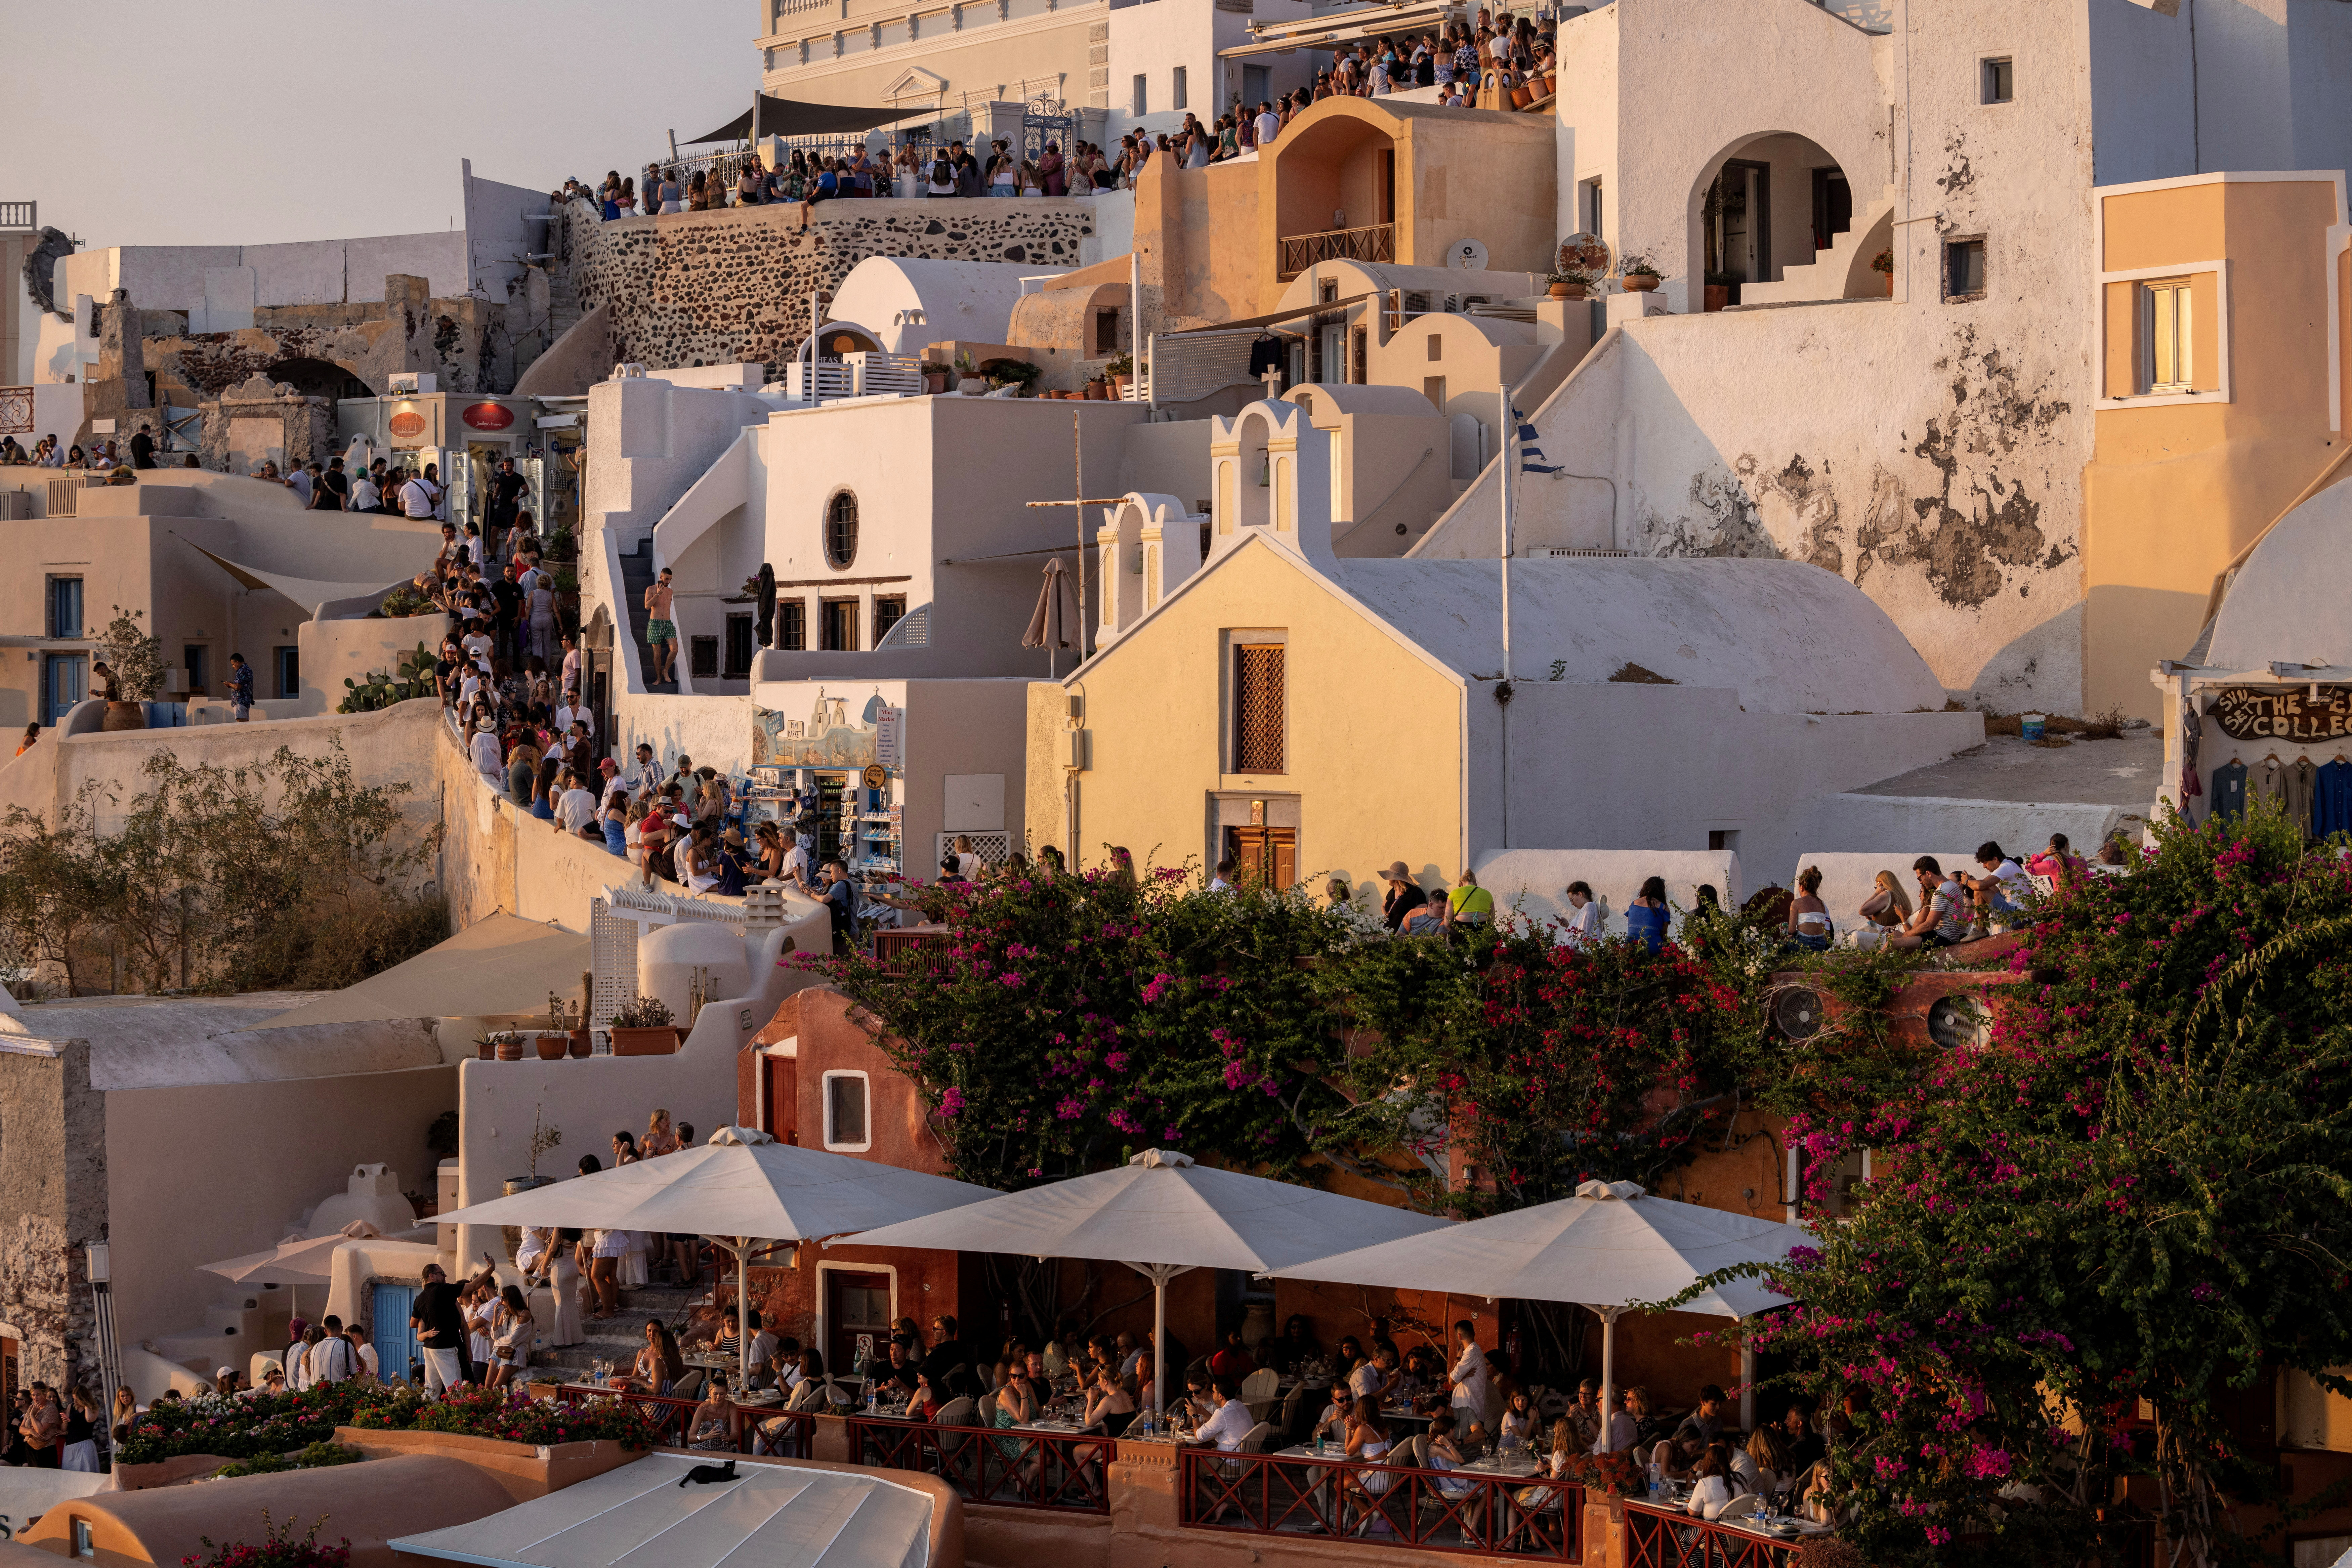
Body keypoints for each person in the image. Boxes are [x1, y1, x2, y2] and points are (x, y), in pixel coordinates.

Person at [1887, 856, 1971, 950]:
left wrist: (1904, 935)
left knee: (1891, 944)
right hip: (1943, 936)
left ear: (1928, 874)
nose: (1920, 882)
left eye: (1920, 878)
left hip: (1942, 939)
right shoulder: (1952, 885)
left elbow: (1929, 925)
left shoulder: (1941, 892)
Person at [411, 1263, 467, 1393]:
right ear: (432, 1276)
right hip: (444, 1346)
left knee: (432, 1387)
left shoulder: (421, 1299)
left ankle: (428, 1411)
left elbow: (413, 1324)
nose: (445, 1275)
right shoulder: (442, 1291)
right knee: (454, 1386)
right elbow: (472, 1286)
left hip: (429, 1347)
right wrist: (491, 1269)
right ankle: (459, 1412)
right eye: (442, 1273)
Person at [1447, 1320, 1494, 1426]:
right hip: (1466, 1411)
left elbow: (1451, 1380)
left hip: (1470, 1412)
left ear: (1459, 1336)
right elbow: (1454, 1384)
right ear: (1474, 1333)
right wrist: (1463, 1376)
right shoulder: (1473, 1352)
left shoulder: (1471, 1353)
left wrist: (1458, 1358)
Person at [489, 1285, 535, 1387]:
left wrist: (497, 1342)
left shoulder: (524, 1315)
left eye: (503, 1298)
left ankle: (501, 1403)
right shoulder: (505, 1313)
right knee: (488, 1385)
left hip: (514, 1353)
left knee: (497, 1385)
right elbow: (495, 1336)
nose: (501, 1301)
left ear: (511, 1298)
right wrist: (495, 1316)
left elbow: (513, 1339)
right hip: (500, 1350)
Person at [1785, 866, 1833, 950]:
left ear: (1801, 887)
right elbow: (1827, 932)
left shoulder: (1796, 903)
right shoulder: (1822, 904)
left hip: (1803, 943)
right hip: (1820, 944)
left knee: (1782, 946)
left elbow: (1792, 930)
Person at [644, 566, 677, 685]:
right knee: (657, 654)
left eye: (670, 580)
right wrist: (658, 595)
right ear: (661, 577)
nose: (668, 582)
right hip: (655, 623)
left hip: (667, 623)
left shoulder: (670, 592)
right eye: (667, 579)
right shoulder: (651, 589)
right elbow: (647, 606)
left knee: (675, 650)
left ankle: (666, 670)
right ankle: (658, 678)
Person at [1626, 876, 1671, 953]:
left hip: (1631, 947)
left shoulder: (1633, 904)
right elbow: (1664, 934)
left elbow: (1631, 924)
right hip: (1653, 949)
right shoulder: (1663, 907)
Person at [1379, 862, 1427, 931]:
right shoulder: (1393, 891)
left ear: (1396, 879)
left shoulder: (1415, 892)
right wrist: (1385, 915)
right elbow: (1383, 906)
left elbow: (1421, 915)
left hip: (1402, 936)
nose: (1389, 879)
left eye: (1390, 876)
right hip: (1386, 933)